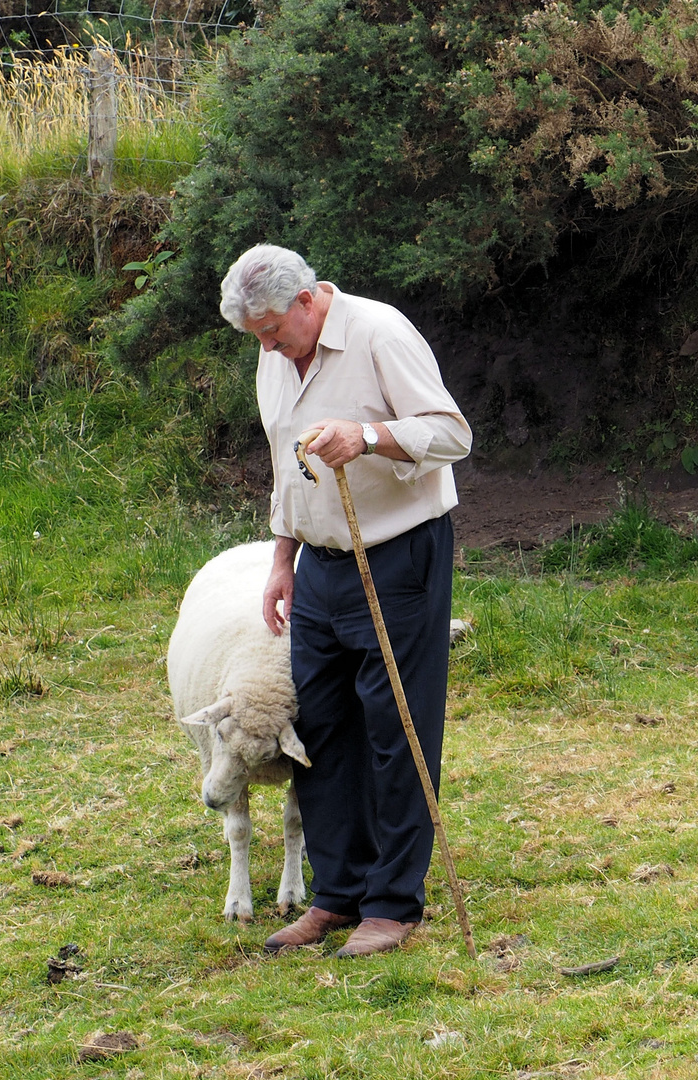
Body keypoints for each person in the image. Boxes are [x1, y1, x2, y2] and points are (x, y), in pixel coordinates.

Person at [219, 244, 472, 957]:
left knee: (395, 727)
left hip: (395, 556)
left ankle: (392, 905)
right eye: (257, 339)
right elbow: (283, 463)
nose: (266, 347)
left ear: (306, 301)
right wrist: (281, 556)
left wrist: (366, 437)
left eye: (273, 332)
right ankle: (337, 893)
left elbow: (452, 433)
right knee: (322, 728)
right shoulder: (274, 349)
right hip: (318, 565)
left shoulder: (379, 332)